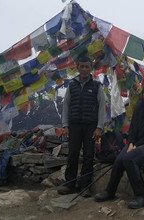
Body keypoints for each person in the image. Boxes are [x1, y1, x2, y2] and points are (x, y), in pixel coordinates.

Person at [94, 82, 144, 209]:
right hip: (136, 143)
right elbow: (132, 129)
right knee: (119, 160)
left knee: (129, 158)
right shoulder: (139, 107)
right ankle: (110, 191)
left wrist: (137, 144)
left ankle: (140, 196)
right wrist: (131, 142)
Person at [57, 55, 106, 197]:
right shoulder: (71, 85)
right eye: (82, 66)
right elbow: (66, 105)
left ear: (91, 68)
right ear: (77, 67)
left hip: (91, 126)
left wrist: (99, 127)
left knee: (89, 155)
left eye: (87, 67)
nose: (84, 69)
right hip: (74, 125)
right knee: (72, 154)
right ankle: (69, 184)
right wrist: (65, 125)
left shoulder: (97, 86)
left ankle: (85, 185)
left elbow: (102, 107)